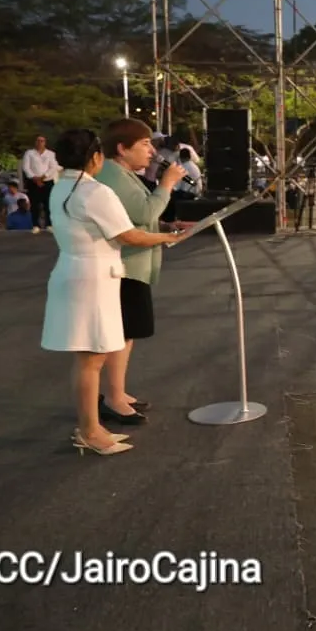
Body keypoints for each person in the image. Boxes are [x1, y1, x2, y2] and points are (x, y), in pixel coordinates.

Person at [39, 129, 176, 456]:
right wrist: (168, 239)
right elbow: (130, 234)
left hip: (74, 272)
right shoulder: (93, 191)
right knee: (92, 359)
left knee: (87, 358)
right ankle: (90, 431)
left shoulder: (61, 187)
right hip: (93, 278)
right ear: (95, 156)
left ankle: (91, 426)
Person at [95, 118, 189, 425]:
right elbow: (145, 211)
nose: (151, 151)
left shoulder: (121, 174)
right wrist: (167, 184)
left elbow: (138, 218)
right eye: (144, 144)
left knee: (127, 334)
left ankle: (117, 393)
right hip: (124, 268)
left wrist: (164, 226)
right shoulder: (115, 177)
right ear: (122, 149)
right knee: (122, 335)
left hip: (129, 266)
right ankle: (112, 398)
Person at [21, 134, 60, 232]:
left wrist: (43, 177)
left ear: (45, 143)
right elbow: (26, 167)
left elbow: (53, 167)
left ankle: (49, 224)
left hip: (47, 181)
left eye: (42, 141)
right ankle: (35, 225)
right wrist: (35, 178)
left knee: (48, 204)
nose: (40, 143)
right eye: (38, 141)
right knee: (34, 204)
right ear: (35, 142)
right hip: (33, 182)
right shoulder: (29, 153)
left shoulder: (50, 154)